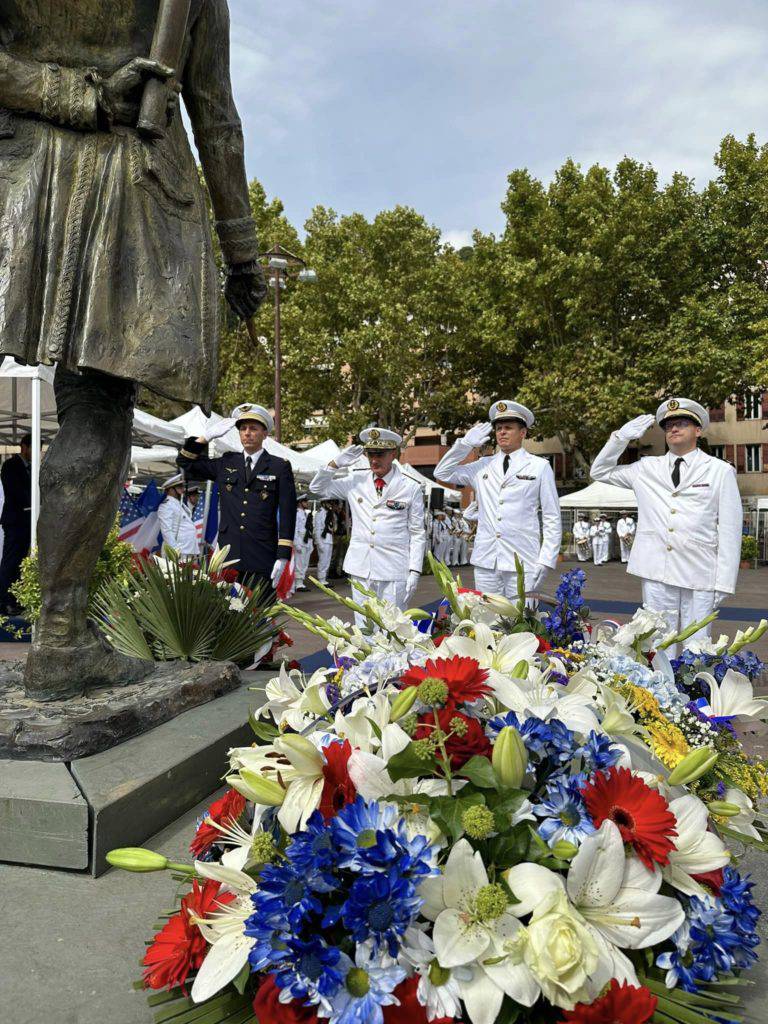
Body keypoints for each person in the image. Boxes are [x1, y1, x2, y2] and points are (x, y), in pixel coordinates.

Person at [0, 2, 267, 699]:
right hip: (128, 179)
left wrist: (65, 93)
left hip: (19, 173)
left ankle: (61, 641)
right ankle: (59, 640)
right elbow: (216, 115)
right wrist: (242, 251)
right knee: (96, 405)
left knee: (94, 405)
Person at [590, 399, 743, 652]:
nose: (673, 429)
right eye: (668, 425)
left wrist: (724, 582)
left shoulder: (719, 471)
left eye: (682, 423)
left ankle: (694, 691)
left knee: (697, 647)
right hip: (656, 570)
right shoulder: (646, 468)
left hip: (700, 571)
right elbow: (599, 471)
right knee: (657, 645)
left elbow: (729, 529)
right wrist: (619, 438)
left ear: (698, 430)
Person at [434, 400, 561, 599]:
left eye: (508, 428)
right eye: (499, 428)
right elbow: (442, 472)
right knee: (488, 622)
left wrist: (546, 560)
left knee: (523, 624)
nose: (502, 432)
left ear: (523, 432)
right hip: (487, 560)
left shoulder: (539, 467)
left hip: (523, 559)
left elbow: (552, 517)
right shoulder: (482, 466)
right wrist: (464, 445)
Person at [309, 426, 426, 624]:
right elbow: (316, 488)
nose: (374, 459)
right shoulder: (356, 480)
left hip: (394, 570)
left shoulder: (410, 486)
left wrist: (414, 570)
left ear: (393, 454)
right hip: (362, 568)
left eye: (379, 454)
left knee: (393, 628)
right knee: (365, 628)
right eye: (370, 454)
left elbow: (417, 532)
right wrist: (334, 464)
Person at [178, 403, 296, 593]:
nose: (247, 433)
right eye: (243, 428)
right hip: (228, 553)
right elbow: (185, 462)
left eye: (253, 428)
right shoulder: (226, 463)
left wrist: (283, 556)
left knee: (259, 614)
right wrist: (206, 437)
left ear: (265, 433)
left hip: (262, 552)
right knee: (226, 613)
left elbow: (288, 513)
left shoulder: (278, 467)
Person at [0, 434, 32, 614]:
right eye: (33, 448)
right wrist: (30, 502)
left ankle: (15, 599)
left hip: (26, 521)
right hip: (14, 521)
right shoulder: (11, 465)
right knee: (10, 562)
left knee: (20, 563)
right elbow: (15, 491)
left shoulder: (30, 467)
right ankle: (4, 601)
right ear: (23, 447)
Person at [157, 474, 199, 558]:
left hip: (187, 549)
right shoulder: (166, 505)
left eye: (182, 487)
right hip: (178, 551)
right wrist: (174, 550)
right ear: (171, 490)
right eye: (179, 487)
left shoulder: (179, 504)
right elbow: (166, 530)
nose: (183, 490)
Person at [293, 497, 313, 592]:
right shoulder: (297, 513)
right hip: (300, 541)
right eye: (305, 501)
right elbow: (295, 529)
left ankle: (301, 582)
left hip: (306, 541)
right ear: (300, 503)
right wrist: (296, 543)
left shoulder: (304, 513)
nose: (307, 503)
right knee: (299, 563)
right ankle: (298, 584)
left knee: (304, 563)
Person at [313, 502, 335, 585]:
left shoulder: (328, 513)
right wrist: (319, 542)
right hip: (323, 540)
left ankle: (324, 578)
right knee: (323, 560)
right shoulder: (320, 513)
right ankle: (321, 579)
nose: (330, 504)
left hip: (328, 539)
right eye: (328, 503)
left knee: (327, 560)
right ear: (323, 503)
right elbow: (317, 529)